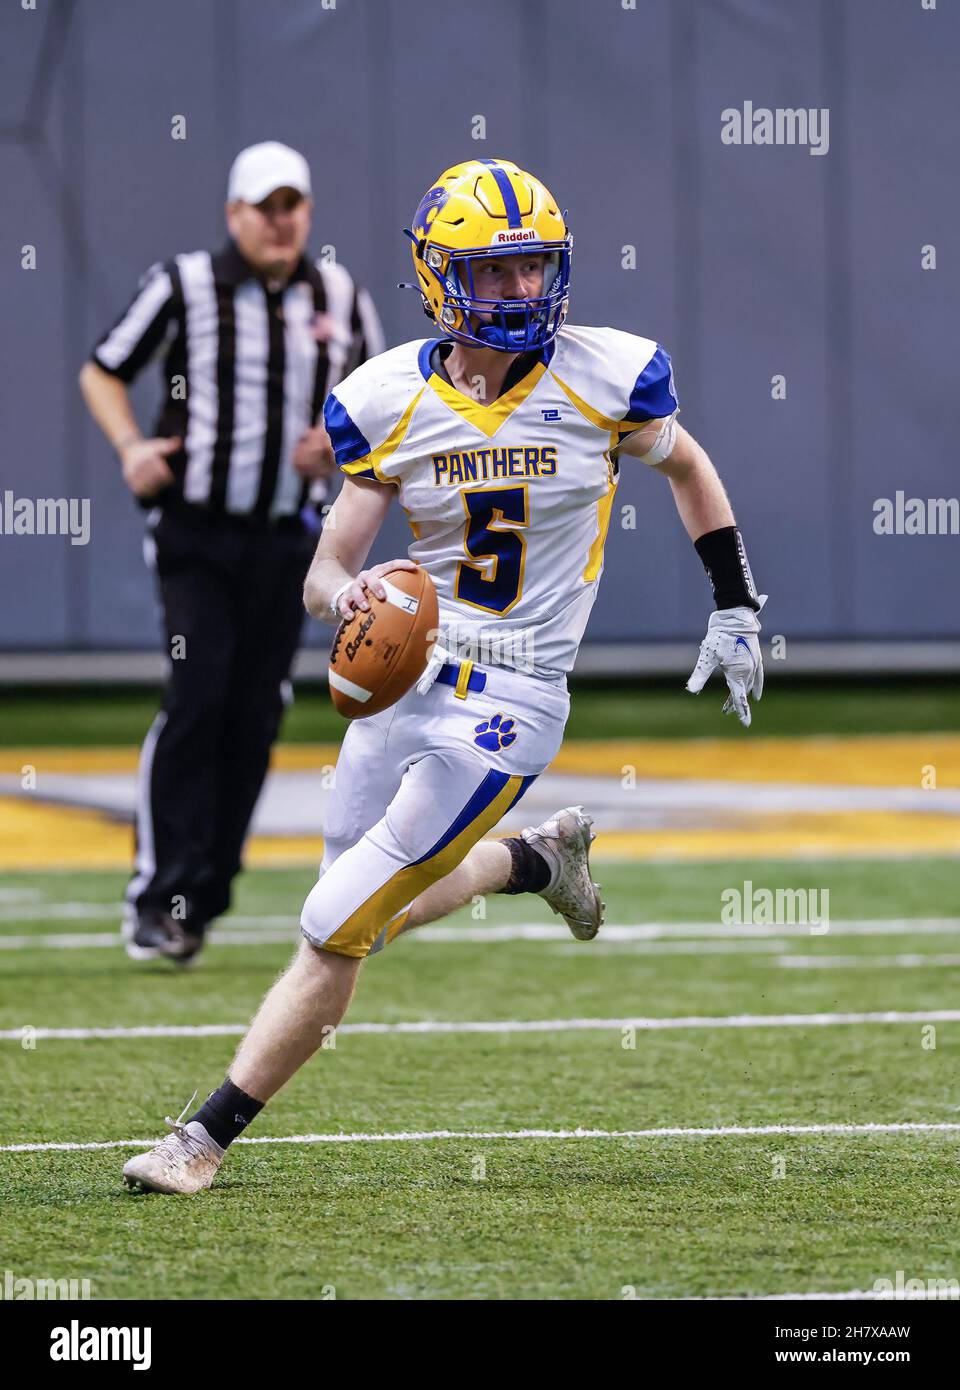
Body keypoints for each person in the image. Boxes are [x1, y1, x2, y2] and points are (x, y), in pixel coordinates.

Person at [120, 158, 765, 1194]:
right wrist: (352, 600)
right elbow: (328, 567)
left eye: (534, 268)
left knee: (337, 919)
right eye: (494, 271)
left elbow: (687, 465)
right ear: (439, 276)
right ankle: (536, 864)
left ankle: (201, 1139)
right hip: (412, 673)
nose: (520, 290)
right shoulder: (384, 396)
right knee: (365, 910)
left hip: (515, 697)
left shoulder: (606, 375)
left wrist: (733, 599)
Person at [79, 141, 384, 964]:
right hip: (197, 530)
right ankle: (159, 891)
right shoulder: (184, 285)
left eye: (295, 205)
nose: (282, 220)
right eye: (266, 206)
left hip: (291, 538)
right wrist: (131, 448)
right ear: (234, 215)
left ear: (308, 214)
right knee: (200, 691)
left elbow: (378, 412)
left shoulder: (343, 297)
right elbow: (103, 370)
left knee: (255, 714)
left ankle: (202, 895)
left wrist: (340, 450)